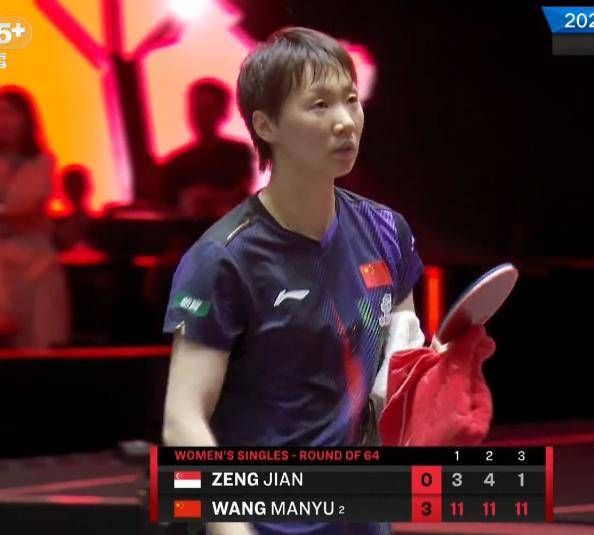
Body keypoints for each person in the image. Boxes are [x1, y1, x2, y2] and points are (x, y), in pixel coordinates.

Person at [161, 27, 431, 535]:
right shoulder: (223, 259)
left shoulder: (386, 232)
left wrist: (432, 374)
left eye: (351, 100)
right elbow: (183, 419)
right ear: (266, 125)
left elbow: (401, 347)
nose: (345, 121)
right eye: (320, 105)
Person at [0, 86, 70, 348]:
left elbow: (29, 209)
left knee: (39, 344)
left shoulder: (43, 162)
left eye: (11, 113)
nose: (4, 121)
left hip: (37, 265)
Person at [160, 78, 254, 219]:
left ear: (222, 112)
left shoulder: (238, 153)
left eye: (208, 109)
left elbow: (242, 192)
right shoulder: (175, 163)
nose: (201, 117)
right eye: (197, 109)